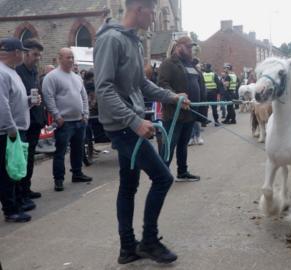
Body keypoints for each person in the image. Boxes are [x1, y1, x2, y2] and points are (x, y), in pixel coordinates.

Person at [95, 0, 190, 265]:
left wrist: (173, 97)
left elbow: (141, 84)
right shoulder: (111, 40)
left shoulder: (134, 41)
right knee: (163, 178)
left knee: (128, 185)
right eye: (152, 11)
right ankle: (149, 241)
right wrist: (134, 121)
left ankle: (127, 248)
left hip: (130, 123)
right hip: (123, 127)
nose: (154, 16)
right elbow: (103, 89)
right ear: (139, 9)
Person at [42, 48, 92, 192]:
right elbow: (48, 97)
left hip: (79, 120)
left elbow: (83, 96)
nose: (71, 60)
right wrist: (57, 116)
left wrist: (86, 114)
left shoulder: (76, 77)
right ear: (59, 58)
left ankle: (77, 173)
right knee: (60, 152)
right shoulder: (52, 77)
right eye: (68, 57)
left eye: (72, 57)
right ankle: (59, 179)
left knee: (78, 149)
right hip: (64, 122)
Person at [157, 35, 203, 182]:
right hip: (174, 113)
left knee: (183, 144)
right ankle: (162, 174)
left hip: (190, 113)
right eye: (188, 47)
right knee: (169, 144)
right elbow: (163, 84)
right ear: (179, 47)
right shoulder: (168, 63)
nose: (191, 50)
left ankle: (182, 172)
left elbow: (199, 85)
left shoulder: (191, 65)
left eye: (192, 47)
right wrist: (176, 97)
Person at [0, 37, 33, 222]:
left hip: (16, 129)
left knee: (15, 169)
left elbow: (13, 100)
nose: (23, 54)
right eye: (22, 51)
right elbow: (2, 104)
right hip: (8, 132)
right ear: (15, 52)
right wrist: (11, 128)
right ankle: (10, 210)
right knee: (7, 172)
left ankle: (16, 203)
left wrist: (28, 101)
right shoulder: (1, 73)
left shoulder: (11, 72)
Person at [15, 39, 45, 208]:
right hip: (24, 123)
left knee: (30, 158)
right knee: (23, 159)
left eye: (39, 55)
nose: (37, 58)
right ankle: (20, 193)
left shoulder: (33, 71)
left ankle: (26, 189)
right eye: (35, 54)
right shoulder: (18, 72)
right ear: (25, 53)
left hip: (35, 121)